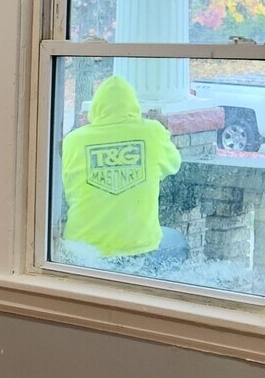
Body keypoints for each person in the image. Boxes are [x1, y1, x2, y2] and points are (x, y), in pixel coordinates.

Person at [61, 74, 182, 261]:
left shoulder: (73, 140)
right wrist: (162, 130)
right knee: (176, 241)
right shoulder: (152, 131)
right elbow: (173, 165)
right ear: (134, 106)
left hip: (81, 249)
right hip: (138, 249)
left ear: (95, 107)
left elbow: (67, 184)